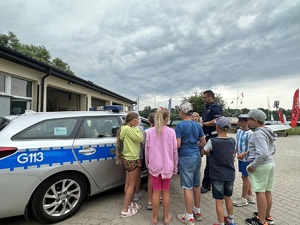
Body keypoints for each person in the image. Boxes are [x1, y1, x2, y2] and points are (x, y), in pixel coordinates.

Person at [145, 107, 178, 225]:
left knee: (156, 192)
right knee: (166, 192)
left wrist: (148, 164)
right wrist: (175, 166)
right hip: (167, 166)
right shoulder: (171, 132)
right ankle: (165, 218)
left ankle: (154, 218)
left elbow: (147, 150)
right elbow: (174, 151)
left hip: (154, 166)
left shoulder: (150, 132)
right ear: (167, 118)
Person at [175, 101, 206, 225]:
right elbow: (203, 142)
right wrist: (194, 145)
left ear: (182, 111)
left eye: (179, 110)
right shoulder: (197, 125)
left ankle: (188, 216)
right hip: (196, 156)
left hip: (185, 157)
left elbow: (178, 144)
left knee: (187, 186)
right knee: (196, 184)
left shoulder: (180, 125)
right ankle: (197, 211)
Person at [201, 117, 236, 225]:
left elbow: (203, 151)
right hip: (230, 174)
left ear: (217, 127)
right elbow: (233, 153)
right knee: (228, 197)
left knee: (219, 201)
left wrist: (209, 153)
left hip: (217, 175)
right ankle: (231, 220)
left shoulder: (213, 141)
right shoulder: (232, 140)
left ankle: (221, 223)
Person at [244, 109, 276, 225]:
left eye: (249, 119)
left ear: (256, 120)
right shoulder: (268, 130)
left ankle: (261, 221)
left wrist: (253, 165)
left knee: (260, 192)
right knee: (267, 191)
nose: (247, 121)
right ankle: (267, 216)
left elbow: (262, 153)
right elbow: (273, 149)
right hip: (270, 163)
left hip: (261, 165)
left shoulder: (257, 134)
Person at [116, 112, 144, 218]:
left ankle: (127, 203)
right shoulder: (130, 129)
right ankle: (125, 210)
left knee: (128, 182)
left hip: (127, 158)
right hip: (132, 159)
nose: (139, 121)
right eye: (137, 119)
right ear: (133, 121)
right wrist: (137, 127)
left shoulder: (124, 129)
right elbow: (140, 138)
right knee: (132, 184)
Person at [201, 90, 223, 194]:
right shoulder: (207, 108)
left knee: (210, 163)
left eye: (205, 97)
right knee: (210, 162)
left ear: (211, 97)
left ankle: (206, 185)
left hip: (213, 136)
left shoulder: (216, 107)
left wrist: (204, 124)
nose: (203, 99)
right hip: (207, 136)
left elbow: (217, 121)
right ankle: (210, 184)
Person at [233, 114, 255, 207]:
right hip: (240, 158)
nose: (238, 123)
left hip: (247, 159)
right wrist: (234, 152)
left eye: (240, 121)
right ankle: (249, 195)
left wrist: (245, 153)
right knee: (244, 177)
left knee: (245, 177)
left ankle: (243, 198)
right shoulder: (238, 131)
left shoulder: (251, 134)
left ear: (246, 122)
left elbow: (254, 147)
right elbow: (237, 143)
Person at [145, 112, 156, 210]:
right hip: (162, 160)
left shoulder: (148, 131)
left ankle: (149, 201)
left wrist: (147, 161)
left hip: (152, 159)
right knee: (161, 179)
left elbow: (146, 147)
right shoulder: (163, 130)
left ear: (148, 121)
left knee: (150, 179)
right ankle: (160, 197)